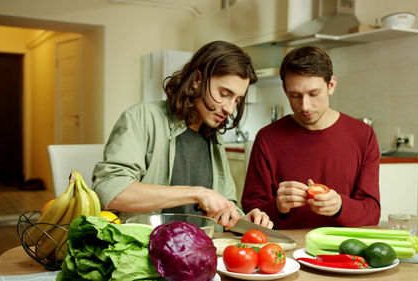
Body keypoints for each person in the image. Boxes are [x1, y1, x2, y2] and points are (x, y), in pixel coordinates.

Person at [93, 41, 273, 230]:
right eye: (224, 93)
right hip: (149, 249)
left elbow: (225, 205)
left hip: (200, 250)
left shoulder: (213, 139)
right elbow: (111, 191)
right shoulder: (142, 117)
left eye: (237, 100)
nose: (229, 108)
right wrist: (197, 193)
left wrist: (243, 220)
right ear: (197, 80)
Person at [241, 46, 380, 229]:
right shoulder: (267, 138)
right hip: (284, 251)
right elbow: (251, 213)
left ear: (331, 85)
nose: (305, 106)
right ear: (284, 90)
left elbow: (372, 212)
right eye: (295, 96)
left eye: (314, 94)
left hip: (343, 251)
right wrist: (277, 206)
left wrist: (340, 206)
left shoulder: (363, 136)